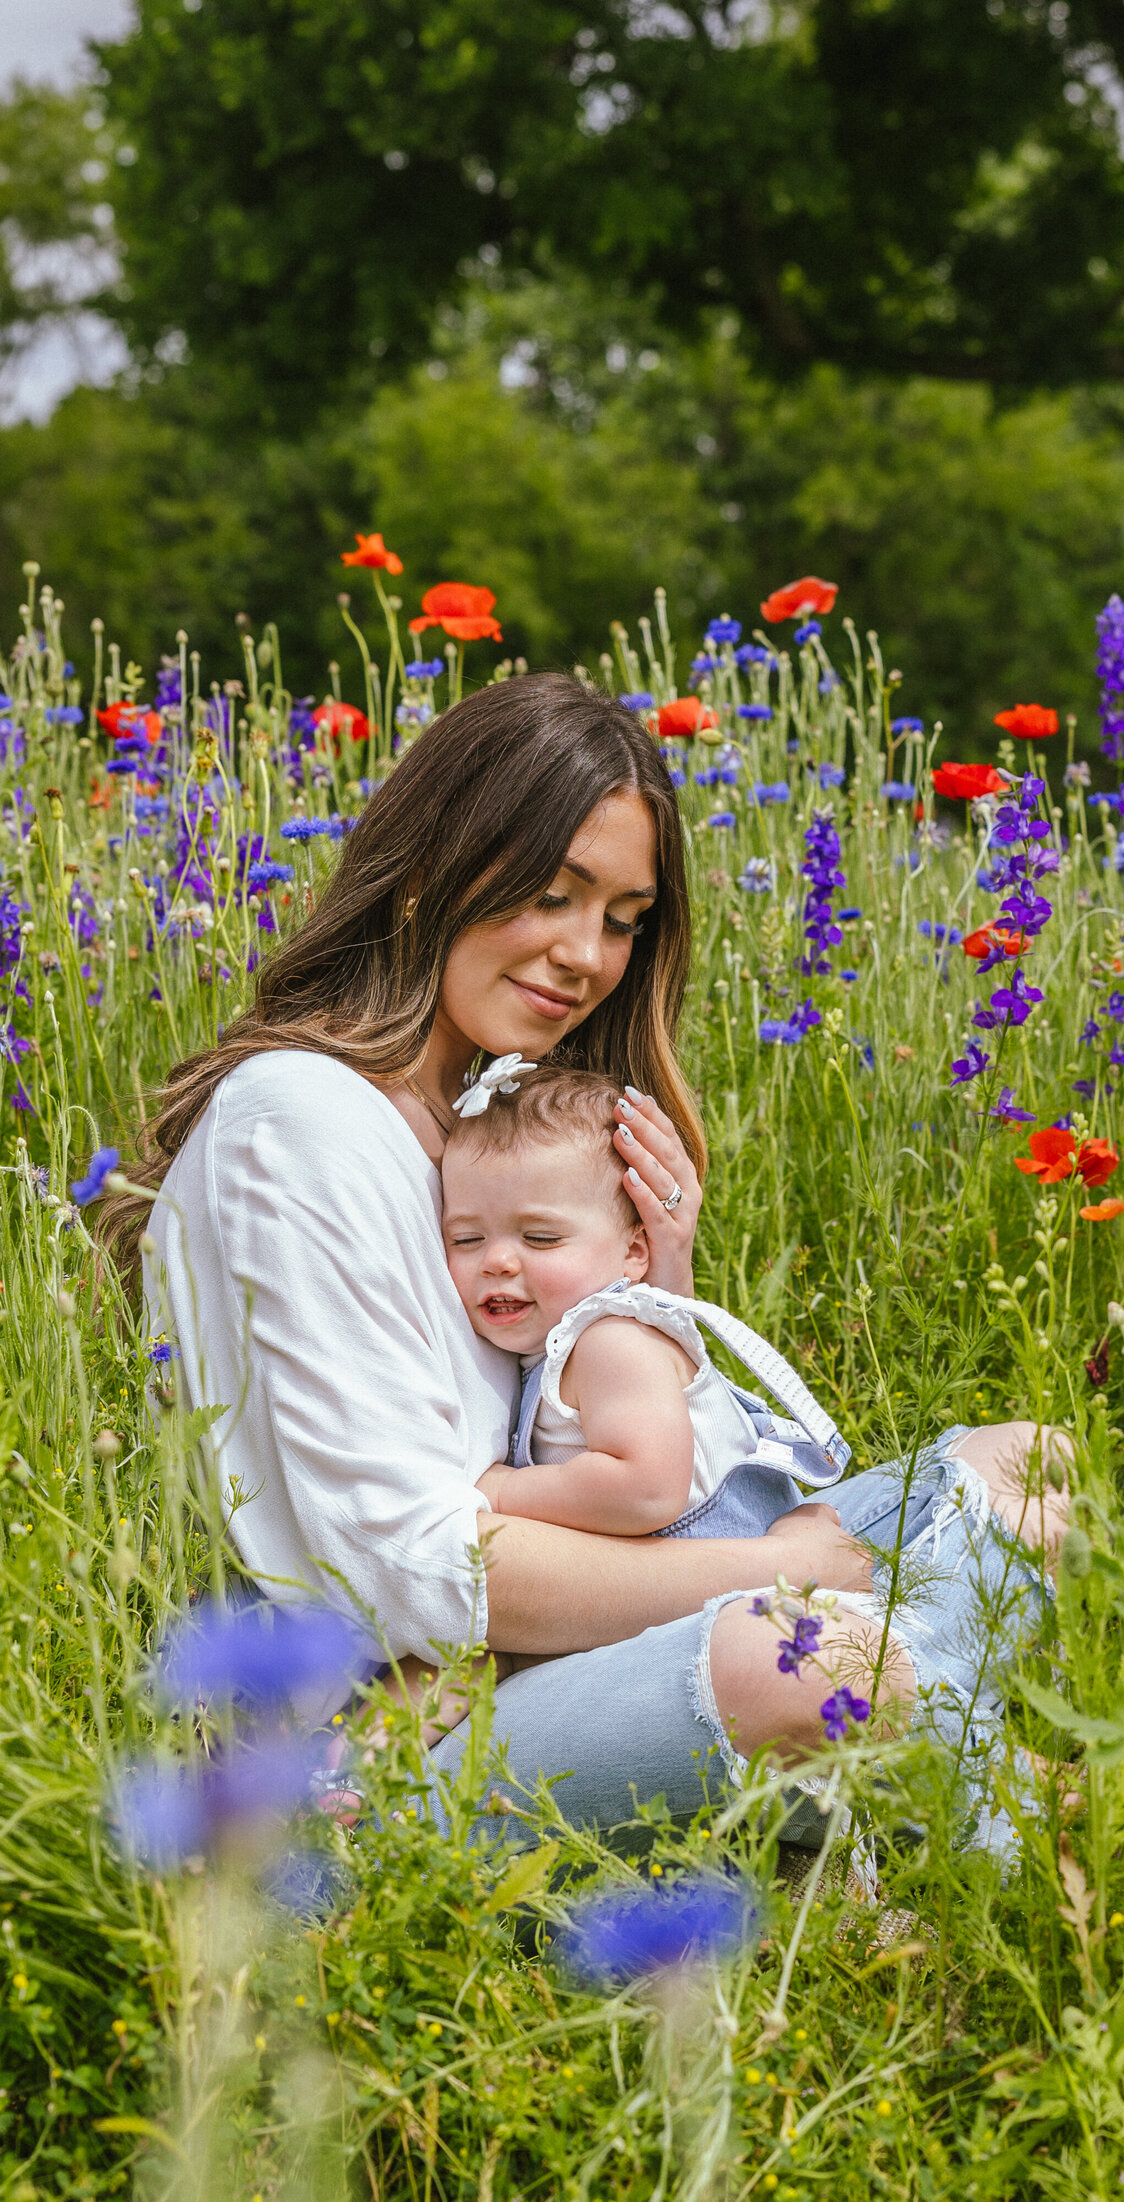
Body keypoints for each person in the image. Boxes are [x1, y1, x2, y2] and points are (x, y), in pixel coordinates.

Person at [115, 672, 1071, 1840]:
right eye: (556, 897)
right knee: (808, 1655)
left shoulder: (483, 1126)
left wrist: (653, 1290)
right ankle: (977, 1793)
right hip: (398, 1739)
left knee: (1031, 1471)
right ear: (432, 868)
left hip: (535, 1653)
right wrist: (795, 1573)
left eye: (622, 919)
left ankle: (900, 1741)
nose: (588, 956)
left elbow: (627, 1459)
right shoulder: (300, 1121)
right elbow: (410, 1575)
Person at [443, 1062, 851, 1538]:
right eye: (467, 1239)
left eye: (539, 1237)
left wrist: (501, 1491)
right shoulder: (572, 1342)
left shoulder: (612, 1342)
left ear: (633, 1251)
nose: (498, 1261)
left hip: (734, 1574)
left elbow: (647, 1489)